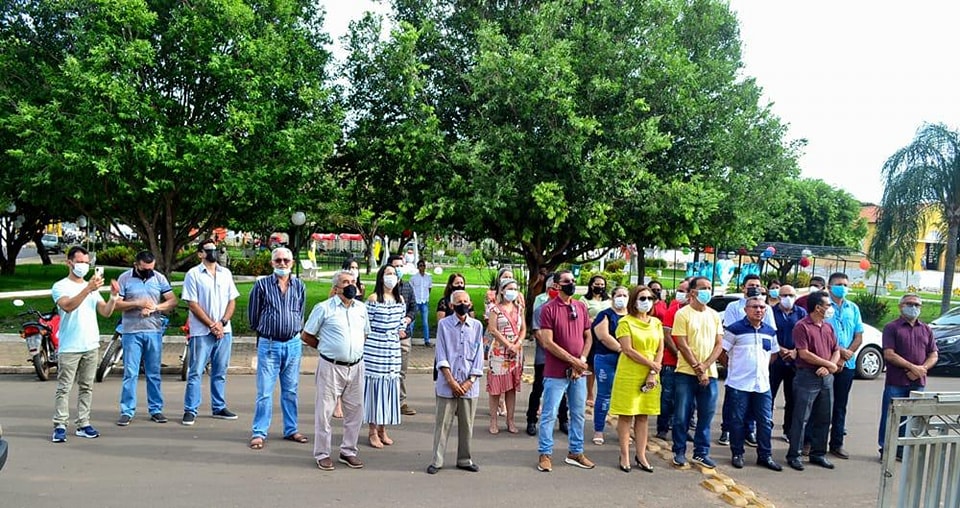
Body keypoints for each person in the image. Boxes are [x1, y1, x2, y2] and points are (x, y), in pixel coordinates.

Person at [301, 270, 370, 471]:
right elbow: (307, 335)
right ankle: (322, 453)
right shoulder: (324, 308)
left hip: (356, 366)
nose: (351, 285)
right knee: (325, 412)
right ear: (336, 287)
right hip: (331, 366)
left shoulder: (361, 309)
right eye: (345, 282)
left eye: (353, 281)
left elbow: (365, 334)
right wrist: (326, 348)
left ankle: (348, 451)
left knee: (356, 411)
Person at [51, 246, 119, 442]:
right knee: (64, 388)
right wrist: (87, 289)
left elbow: (105, 312)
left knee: (87, 387)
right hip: (70, 346)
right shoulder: (60, 286)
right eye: (80, 262)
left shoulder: (92, 289)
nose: (83, 265)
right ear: (69, 263)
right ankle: (60, 425)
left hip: (90, 344)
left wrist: (113, 297)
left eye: (86, 262)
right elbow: (67, 306)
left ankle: (83, 423)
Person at [247, 247, 307, 449]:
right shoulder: (261, 285)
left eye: (286, 260)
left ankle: (291, 429)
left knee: (291, 391)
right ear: (272, 263)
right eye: (278, 260)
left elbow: (300, 312)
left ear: (292, 262)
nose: (282, 263)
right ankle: (259, 432)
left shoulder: (299, 286)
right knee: (265, 392)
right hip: (269, 344)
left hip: (293, 344)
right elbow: (253, 316)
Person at [536, 270, 595, 472]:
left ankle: (576, 452)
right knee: (549, 414)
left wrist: (582, 360)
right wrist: (573, 361)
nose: (572, 283)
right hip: (556, 372)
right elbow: (547, 342)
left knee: (578, 414)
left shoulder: (580, 306)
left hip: (578, 372)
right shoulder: (548, 309)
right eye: (567, 281)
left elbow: (588, 336)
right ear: (556, 285)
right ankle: (545, 453)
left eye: (573, 280)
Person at [114, 250, 177, 426]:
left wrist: (156, 307)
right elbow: (116, 304)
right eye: (144, 269)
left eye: (151, 268)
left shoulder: (159, 278)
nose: (148, 272)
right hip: (131, 331)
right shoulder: (125, 278)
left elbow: (172, 301)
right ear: (136, 265)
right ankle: (127, 411)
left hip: (153, 330)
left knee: (153, 373)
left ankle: (156, 409)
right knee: (130, 373)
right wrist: (137, 303)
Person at [181, 239, 241, 426]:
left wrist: (222, 323)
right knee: (196, 371)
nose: (213, 252)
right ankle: (190, 409)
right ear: (200, 253)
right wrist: (211, 325)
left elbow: (232, 300)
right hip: (201, 332)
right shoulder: (193, 274)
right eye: (208, 250)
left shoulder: (225, 273)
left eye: (215, 249)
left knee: (220, 371)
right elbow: (192, 303)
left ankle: (219, 406)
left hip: (224, 331)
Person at [427, 290, 485, 474]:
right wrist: (451, 381)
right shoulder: (444, 325)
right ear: (452, 305)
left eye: (466, 301)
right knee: (442, 424)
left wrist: (470, 381)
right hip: (447, 384)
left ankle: (464, 459)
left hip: (469, 384)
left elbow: (479, 355)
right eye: (459, 302)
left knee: (467, 425)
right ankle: (437, 460)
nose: (463, 304)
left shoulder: (476, 326)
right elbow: (441, 354)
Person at [722, 296, 783, 471]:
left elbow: (773, 354)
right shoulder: (735, 329)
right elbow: (722, 352)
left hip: (762, 384)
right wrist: (733, 368)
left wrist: (761, 367)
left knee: (765, 421)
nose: (759, 310)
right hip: (739, 384)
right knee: (737, 421)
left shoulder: (769, 331)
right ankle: (737, 453)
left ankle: (765, 455)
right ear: (746, 310)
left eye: (762, 308)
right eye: (754, 307)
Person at [609, 286, 663, 473]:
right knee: (626, 415)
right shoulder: (625, 322)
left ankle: (641, 455)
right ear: (634, 301)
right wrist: (651, 364)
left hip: (651, 373)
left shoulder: (656, 323)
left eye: (649, 298)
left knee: (643, 415)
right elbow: (627, 349)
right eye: (642, 298)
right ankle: (624, 454)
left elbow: (660, 349)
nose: (646, 302)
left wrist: (653, 371)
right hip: (629, 373)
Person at [671, 276, 723, 469]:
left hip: (710, 374)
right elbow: (682, 344)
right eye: (703, 288)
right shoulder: (683, 314)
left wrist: (706, 366)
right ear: (692, 292)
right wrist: (697, 367)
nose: (707, 291)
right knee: (681, 415)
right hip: (685, 373)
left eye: (709, 288)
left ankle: (701, 453)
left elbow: (719, 344)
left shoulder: (714, 315)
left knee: (706, 415)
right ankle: (679, 451)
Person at [878, 293, 938, 459]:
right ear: (901, 307)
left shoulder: (926, 329)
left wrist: (921, 369)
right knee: (891, 416)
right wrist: (912, 367)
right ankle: (886, 450)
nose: (913, 307)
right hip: (896, 382)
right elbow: (889, 354)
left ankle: (902, 450)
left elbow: (933, 354)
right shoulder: (892, 327)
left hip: (918, 382)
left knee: (911, 418)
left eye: (917, 305)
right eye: (910, 304)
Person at [785, 291, 840, 471]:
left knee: (824, 417)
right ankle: (795, 454)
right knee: (801, 418)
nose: (830, 308)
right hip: (807, 377)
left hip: (826, 377)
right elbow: (804, 353)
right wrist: (828, 364)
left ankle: (818, 453)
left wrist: (829, 366)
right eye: (828, 305)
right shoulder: (802, 326)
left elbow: (836, 349)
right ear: (818, 307)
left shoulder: (828, 327)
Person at [719, 274, 776, 446]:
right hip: (738, 357)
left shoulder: (766, 308)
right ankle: (727, 430)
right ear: (743, 287)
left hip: (758, 361)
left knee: (757, 405)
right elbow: (728, 333)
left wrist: (762, 363)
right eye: (751, 285)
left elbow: (770, 333)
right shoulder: (733, 306)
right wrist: (730, 364)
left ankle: (749, 431)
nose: (754, 288)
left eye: (758, 285)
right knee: (734, 405)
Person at [363, 264, 406, 448]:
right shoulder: (373, 299)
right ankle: (372, 431)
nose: (392, 276)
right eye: (388, 273)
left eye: (394, 273)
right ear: (381, 277)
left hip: (392, 350)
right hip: (375, 349)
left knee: (389, 388)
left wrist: (401, 330)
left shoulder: (400, 299)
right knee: (375, 390)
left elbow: (401, 322)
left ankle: (383, 429)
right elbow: (366, 324)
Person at [823, 272, 863, 460]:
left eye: (845, 284)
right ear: (829, 287)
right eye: (839, 284)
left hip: (847, 364)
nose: (843, 288)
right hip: (827, 362)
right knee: (821, 405)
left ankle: (836, 444)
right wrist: (838, 354)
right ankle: (813, 443)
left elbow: (858, 336)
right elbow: (820, 334)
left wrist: (845, 355)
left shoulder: (852, 308)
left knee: (840, 406)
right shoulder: (824, 307)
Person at [525, 274, 569, 437]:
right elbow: (539, 334)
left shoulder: (567, 309)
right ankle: (531, 420)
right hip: (544, 358)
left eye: (558, 288)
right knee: (538, 389)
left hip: (562, 358)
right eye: (552, 288)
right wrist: (553, 349)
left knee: (562, 391)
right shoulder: (541, 310)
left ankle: (563, 420)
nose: (555, 291)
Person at [486, 278, 526, 434]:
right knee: (495, 388)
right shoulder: (495, 309)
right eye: (510, 288)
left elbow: (523, 329)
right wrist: (508, 345)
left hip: (516, 352)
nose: (513, 292)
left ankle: (510, 420)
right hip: (499, 351)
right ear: (502, 291)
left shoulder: (519, 308)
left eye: (515, 289)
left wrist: (517, 344)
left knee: (511, 387)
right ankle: (493, 420)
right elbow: (493, 329)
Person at [590, 286, 628, 445]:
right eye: (619, 295)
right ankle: (599, 429)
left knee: (625, 396)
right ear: (612, 297)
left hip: (627, 361)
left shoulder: (631, 316)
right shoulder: (605, 315)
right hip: (606, 358)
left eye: (625, 295)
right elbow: (603, 336)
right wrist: (622, 349)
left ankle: (624, 430)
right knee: (604, 395)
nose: (622, 298)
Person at [770, 284, 806, 442]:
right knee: (768, 397)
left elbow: (806, 334)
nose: (788, 298)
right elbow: (768, 332)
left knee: (792, 398)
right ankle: (764, 427)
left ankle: (788, 430)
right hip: (775, 360)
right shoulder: (771, 312)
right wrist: (779, 349)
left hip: (794, 361)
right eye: (784, 295)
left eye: (791, 295)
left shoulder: (801, 313)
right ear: (779, 297)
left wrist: (795, 351)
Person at [657, 278, 689, 441]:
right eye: (679, 290)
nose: (680, 294)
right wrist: (678, 354)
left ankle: (682, 430)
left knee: (686, 400)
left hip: (690, 364)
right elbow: (667, 335)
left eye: (684, 291)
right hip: (671, 361)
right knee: (667, 398)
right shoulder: (673, 310)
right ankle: (662, 428)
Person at [387, 255, 417, 416]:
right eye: (395, 266)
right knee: (387, 370)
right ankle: (387, 401)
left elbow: (413, 308)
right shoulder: (382, 291)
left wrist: (408, 319)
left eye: (400, 266)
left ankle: (401, 401)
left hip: (404, 336)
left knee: (401, 371)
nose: (398, 269)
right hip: (387, 338)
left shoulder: (407, 287)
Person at [580, 274, 609, 410]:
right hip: (591, 335)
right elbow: (582, 317)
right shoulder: (584, 300)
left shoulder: (608, 300)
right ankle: (590, 394)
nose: (600, 287)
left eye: (602, 284)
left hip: (606, 335)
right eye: (597, 284)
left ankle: (604, 395)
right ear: (591, 285)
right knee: (591, 365)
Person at [409, 259, 433, 346]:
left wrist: (426, 297)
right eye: (420, 266)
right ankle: (409, 339)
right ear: (418, 267)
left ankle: (427, 340)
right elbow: (411, 290)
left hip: (424, 301)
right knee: (412, 321)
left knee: (425, 322)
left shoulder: (428, 278)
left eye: (423, 266)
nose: (422, 267)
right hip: (416, 301)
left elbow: (429, 288)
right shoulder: (413, 278)